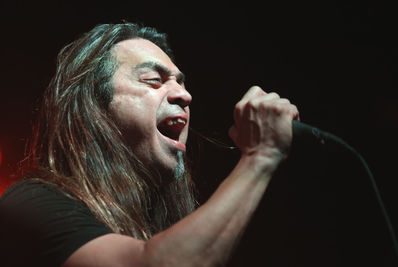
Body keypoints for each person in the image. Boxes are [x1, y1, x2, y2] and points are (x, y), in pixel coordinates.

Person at [0, 22, 299, 267]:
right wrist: (261, 156)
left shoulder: (165, 225)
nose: (184, 95)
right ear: (93, 109)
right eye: (154, 81)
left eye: (182, 83)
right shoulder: (28, 206)